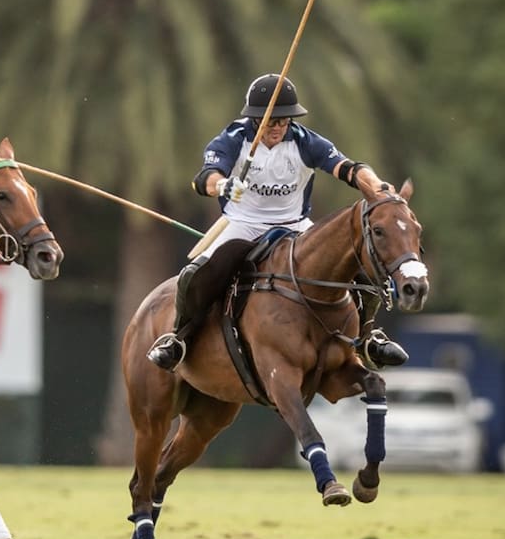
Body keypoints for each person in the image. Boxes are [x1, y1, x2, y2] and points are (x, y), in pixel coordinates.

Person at [147, 73, 409, 371]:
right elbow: (204, 179)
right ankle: (179, 337)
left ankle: (368, 336)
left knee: (355, 262)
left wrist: (376, 187)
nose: (278, 127)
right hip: (244, 223)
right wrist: (223, 186)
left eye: (284, 120)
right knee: (197, 272)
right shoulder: (233, 139)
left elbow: (348, 168)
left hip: (295, 226)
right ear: (256, 119)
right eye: (272, 121)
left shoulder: (304, 141)